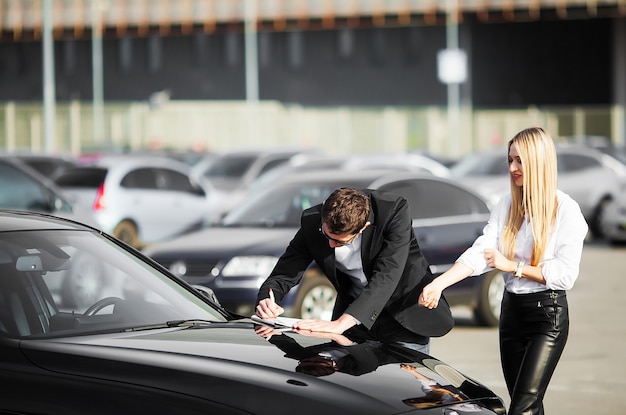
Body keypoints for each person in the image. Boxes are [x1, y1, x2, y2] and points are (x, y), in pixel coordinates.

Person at [419, 127, 588, 415]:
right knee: (527, 404)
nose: (512, 168)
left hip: (547, 316)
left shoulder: (566, 210)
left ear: (539, 161)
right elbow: (481, 252)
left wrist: (512, 266)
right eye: (510, 160)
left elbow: (565, 273)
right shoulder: (508, 204)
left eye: (520, 160)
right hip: (511, 312)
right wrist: (439, 284)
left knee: (522, 407)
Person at [255, 187, 454, 354]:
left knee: (401, 394)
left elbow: (386, 276)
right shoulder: (312, 222)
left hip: (403, 317)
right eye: (327, 236)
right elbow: (285, 272)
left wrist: (340, 324)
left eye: (340, 242)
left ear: (363, 227)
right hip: (352, 322)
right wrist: (267, 298)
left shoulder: (394, 212)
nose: (331, 245)